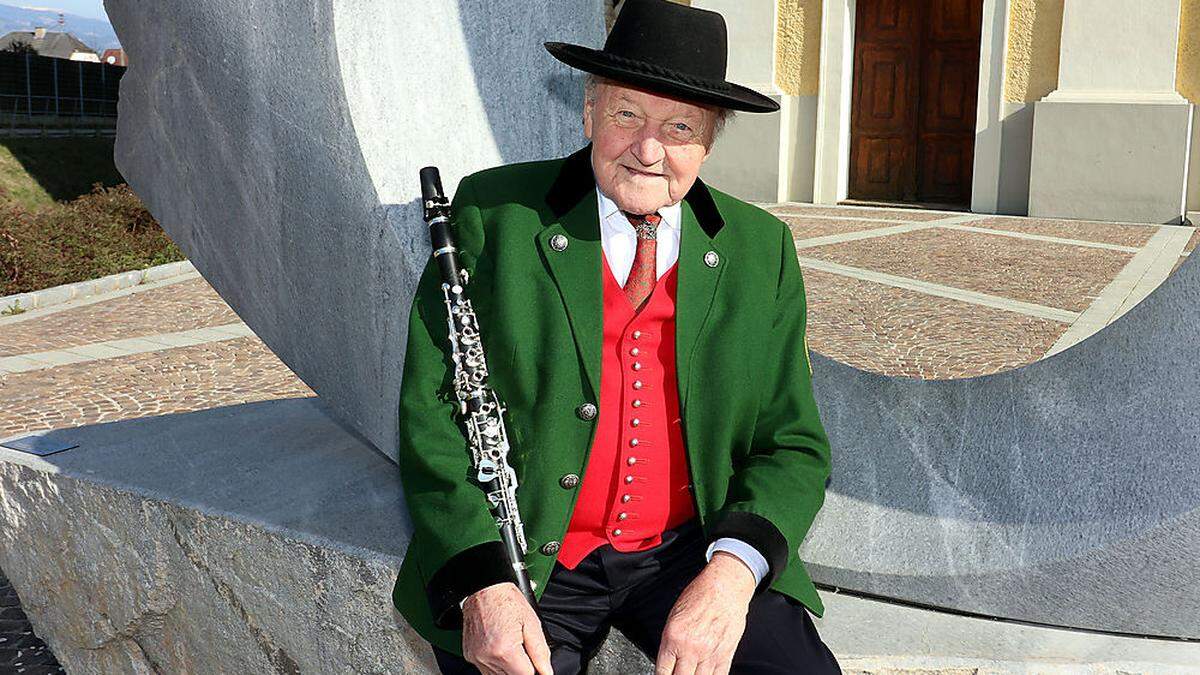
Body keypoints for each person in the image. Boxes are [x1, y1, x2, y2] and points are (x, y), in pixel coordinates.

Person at [391, 1, 839, 673]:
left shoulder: (761, 248)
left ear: (708, 142)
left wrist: (730, 578)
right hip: (533, 552)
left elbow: (794, 445)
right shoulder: (492, 214)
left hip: (688, 546)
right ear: (589, 112)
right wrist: (484, 581)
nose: (649, 149)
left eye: (680, 126)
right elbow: (433, 415)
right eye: (628, 114)